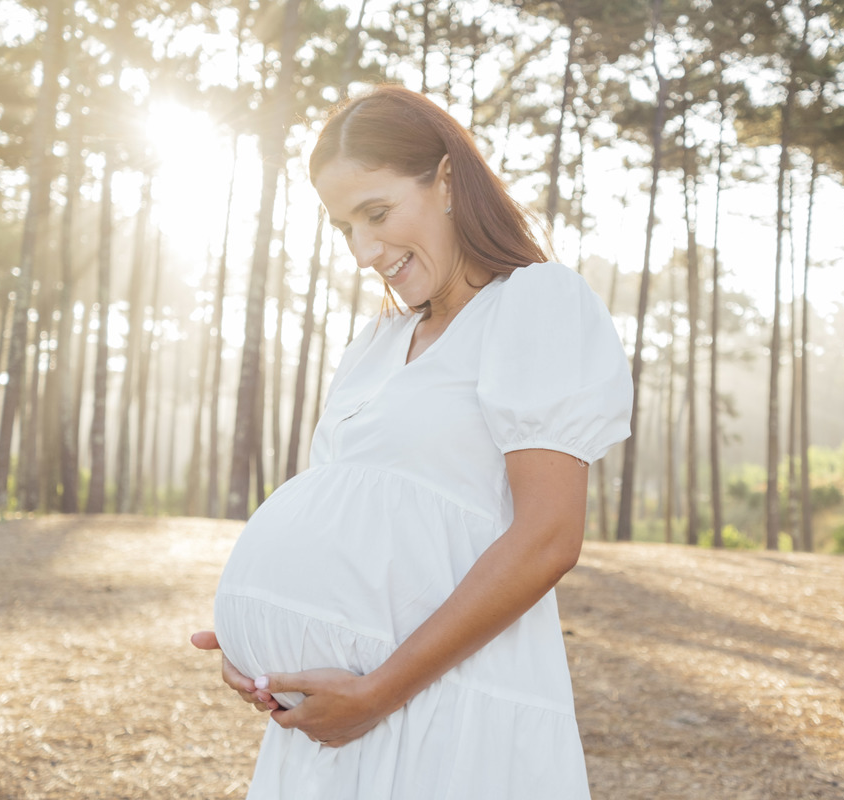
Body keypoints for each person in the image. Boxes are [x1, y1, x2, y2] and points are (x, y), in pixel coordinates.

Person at [191, 84, 632, 799]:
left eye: (377, 213)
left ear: (448, 181)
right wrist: (265, 640)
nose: (366, 252)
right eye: (344, 229)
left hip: (448, 715)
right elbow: (356, 525)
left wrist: (379, 693)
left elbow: (550, 536)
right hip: (335, 735)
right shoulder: (376, 344)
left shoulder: (534, 303)